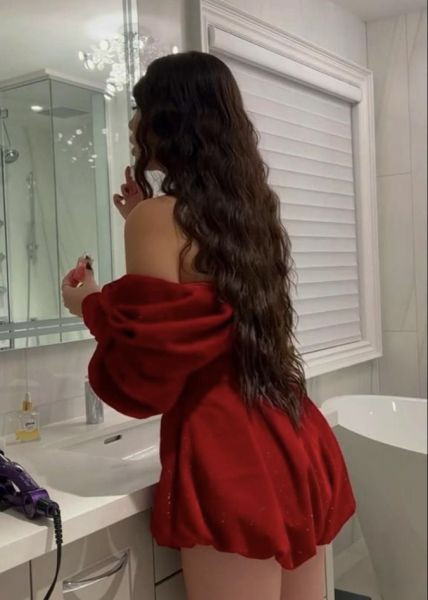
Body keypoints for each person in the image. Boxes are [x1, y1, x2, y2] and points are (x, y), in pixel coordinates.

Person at [62, 51, 356, 600]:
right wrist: (141, 219)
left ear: (169, 119)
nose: (133, 122)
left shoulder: (158, 218)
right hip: (291, 429)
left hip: (228, 449)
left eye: (139, 108)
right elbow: (204, 305)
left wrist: (88, 305)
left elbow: (150, 367)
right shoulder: (251, 214)